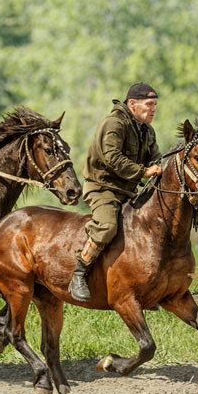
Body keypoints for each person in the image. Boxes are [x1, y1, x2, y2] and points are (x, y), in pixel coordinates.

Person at [69, 82, 163, 302]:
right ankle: (79, 274)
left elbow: (156, 159)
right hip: (103, 188)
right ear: (132, 104)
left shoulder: (146, 130)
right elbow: (112, 158)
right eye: (149, 104)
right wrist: (144, 171)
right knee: (108, 226)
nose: (153, 109)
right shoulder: (114, 124)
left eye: (155, 105)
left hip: (127, 190)